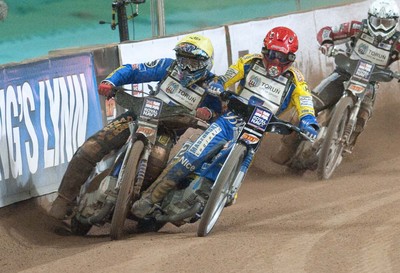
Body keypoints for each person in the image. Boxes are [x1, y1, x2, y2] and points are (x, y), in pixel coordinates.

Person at [131, 26, 320, 218]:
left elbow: (305, 101)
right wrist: (219, 85)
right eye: (272, 54)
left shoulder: (295, 80)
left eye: (281, 57)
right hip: (231, 119)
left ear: (291, 58)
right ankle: (149, 200)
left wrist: (309, 121)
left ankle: (224, 192)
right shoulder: (250, 62)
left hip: (257, 129)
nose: (275, 61)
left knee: (240, 161)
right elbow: (230, 75)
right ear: (264, 50)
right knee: (192, 157)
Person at [49, 33, 225, 220]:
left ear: (207, 63)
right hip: (139, 115)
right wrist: (111, 81)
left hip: (168, 130)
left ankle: (134, 203)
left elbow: (217, 113)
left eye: (194, 63)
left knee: (156, 160)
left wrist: (209, 112)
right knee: (91, 147)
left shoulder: (213, 86)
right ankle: (64, 199)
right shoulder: (167, 66)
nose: (187, 67)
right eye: (183, 60)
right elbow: (134, 70)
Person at [272, 0, 400, 168]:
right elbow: (327, 32)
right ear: (369, 19)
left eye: (386, 23)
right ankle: (287, 147)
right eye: (377, 22)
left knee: (362, 117)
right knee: (308, 106)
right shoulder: (357, 28)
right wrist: (327, 44)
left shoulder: (396, 42)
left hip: (370, 83)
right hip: (343, 74)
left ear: (395, 23)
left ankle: (344, 147)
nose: (381, 28)